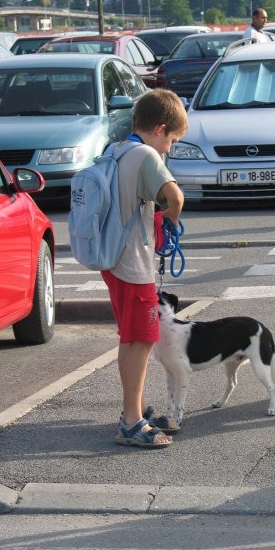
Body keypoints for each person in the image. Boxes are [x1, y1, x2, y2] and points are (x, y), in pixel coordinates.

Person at [101, 89, 188, 448]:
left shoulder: (116, 150)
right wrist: (170, 215)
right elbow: (175, 196)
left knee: (130, 338)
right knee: (142, 339)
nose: (169, 148)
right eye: (172, 140)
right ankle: (132, 423)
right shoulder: (147, 155)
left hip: (112, 258)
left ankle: (131, 410)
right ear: (160, 128)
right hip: (133, 263)